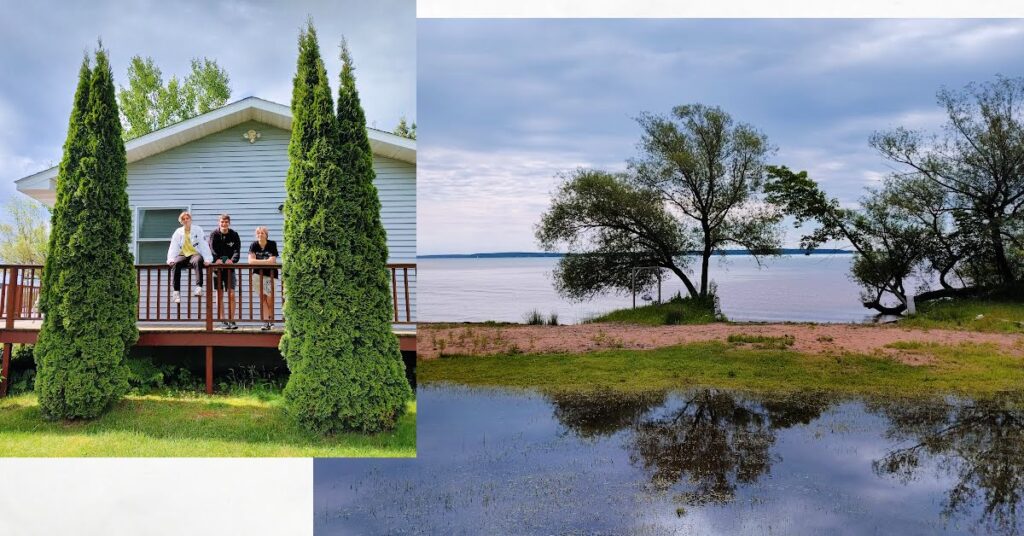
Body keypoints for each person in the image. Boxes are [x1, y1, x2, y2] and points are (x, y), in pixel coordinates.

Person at [166, 211, 213, 304]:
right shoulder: (178, 232)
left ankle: (199, 287)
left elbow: (203, 244)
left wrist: (207, 258)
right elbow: (173, 246)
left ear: (190, 219)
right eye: (183, 219)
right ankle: (176, 292)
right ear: (181, 221)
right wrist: (171, 259)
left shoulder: (198, 229)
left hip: (195, 253)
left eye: (187, 218)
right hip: (183, 254)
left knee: (198, 260)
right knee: (176, 263)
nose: (186, 220)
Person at [209, 213, 241, 330]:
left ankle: (232, 320)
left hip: (229, 268)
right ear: (219, 223)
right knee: (219, 294)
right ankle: (223, 320)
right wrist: (216, 259)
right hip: (217, 268)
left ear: (229, 223)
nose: (224, 224)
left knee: (231, 294)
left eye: (226, 222)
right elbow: (211, 249)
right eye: (222, 222)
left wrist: (232, 260)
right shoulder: (214, 234)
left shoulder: (234, 235)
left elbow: (237, 250)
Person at [248, 226, 279, 330]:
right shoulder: (254, 245)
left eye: (262, 233)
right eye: (258, 233)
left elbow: (273, 261)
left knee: (270, 298)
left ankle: (271, 320)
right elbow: (250, 261)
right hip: (257, 275)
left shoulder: (272, 244)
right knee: (263, 298)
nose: (260, 235)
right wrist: (266, 261)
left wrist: (258, 262)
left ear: (266, 235)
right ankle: (266, 322)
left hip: (271, 274)